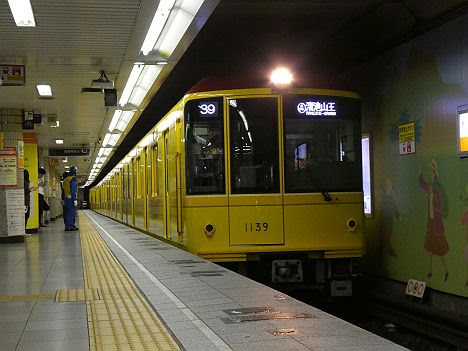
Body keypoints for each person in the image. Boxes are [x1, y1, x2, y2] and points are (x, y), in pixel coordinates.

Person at [419, 160, 449, 282]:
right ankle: (430, 271)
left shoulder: (437, 187)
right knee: (431, 248)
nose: (430, 173)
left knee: (440, 249)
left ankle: (446, 270)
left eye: (432, 171)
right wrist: (420, 174)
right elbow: (424, 185)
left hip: (436, 224)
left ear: (435, 172)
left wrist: (439, 210)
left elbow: (443, 204)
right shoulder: (432, 186)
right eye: (429, 171)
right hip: (431, 223)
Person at [63, 166, 79, 231]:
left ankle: (67, 225)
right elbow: (73, 190)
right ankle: (70, 226)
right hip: (71, 198)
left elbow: (63, 190)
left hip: (66, 198)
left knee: (67, 213)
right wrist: (74, 199)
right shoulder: (73, 179)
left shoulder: (65, 180)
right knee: (71, 212)